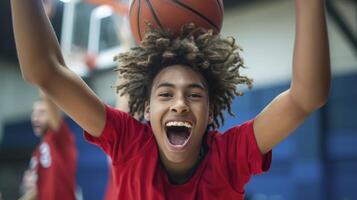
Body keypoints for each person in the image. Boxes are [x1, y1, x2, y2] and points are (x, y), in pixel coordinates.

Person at [11, 0, 330, 199]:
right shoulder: (130, 142)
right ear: (147, 109)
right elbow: (45, 71)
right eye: (166, 94)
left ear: (212, 109)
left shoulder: (228, 158)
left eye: (194, 94)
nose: (179, 103)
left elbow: (306, 97)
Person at [18, 93, 78, 200]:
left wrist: (42, 81)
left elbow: (48, 96)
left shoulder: (60, 138)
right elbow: (37, 190)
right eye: (34, 112)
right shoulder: (37, 152)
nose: (35, 118)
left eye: (42, 113)